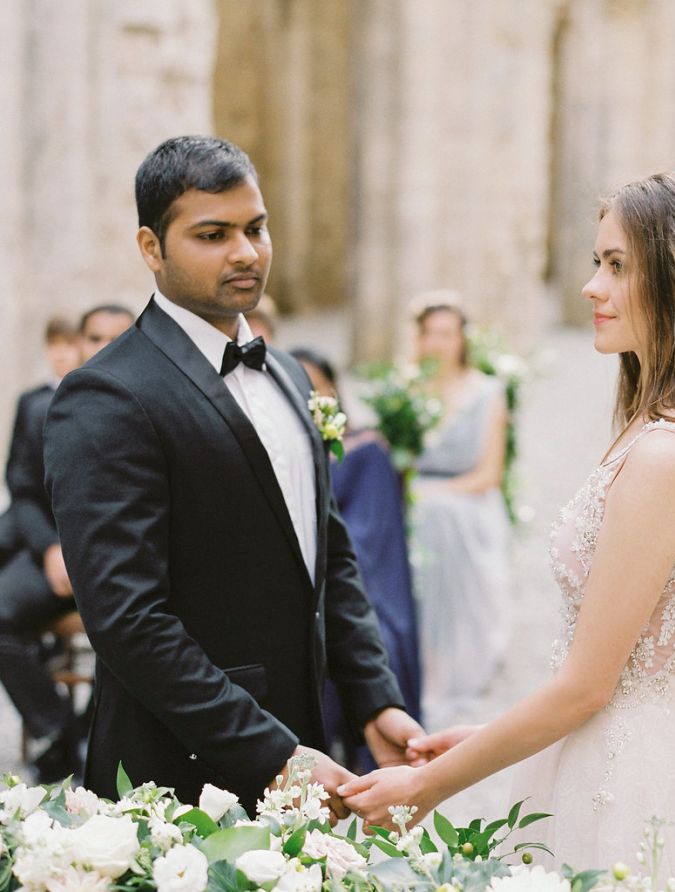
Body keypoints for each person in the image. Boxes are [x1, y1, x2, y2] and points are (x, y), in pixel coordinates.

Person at [340, 171, 675, 889]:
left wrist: (429, 785)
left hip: (630, 784)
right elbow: (613, 666)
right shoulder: (662, 430)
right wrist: (488, 740)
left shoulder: (666, 454)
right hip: (609, 747)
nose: (590, 287)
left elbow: (590, 686)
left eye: (616, 265)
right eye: (596, 262)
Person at [43, 135, 423, 812]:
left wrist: (374, 700)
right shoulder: (106, 396)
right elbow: (129, 620)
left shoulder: (287, 371)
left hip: (307, 745)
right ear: (151, 248)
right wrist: (269, 752)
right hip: (174, 776)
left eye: (256, 228)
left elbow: (327, 557)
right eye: (212, 234)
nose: (246, 252)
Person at [0, 306, 133, 782]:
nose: (104, 346)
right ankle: (59, 731)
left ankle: (91, 730)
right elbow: (24, 492)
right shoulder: (41, 407)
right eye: (94, 336)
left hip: (121, 561)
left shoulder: (153, 405)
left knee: (136, 634)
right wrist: (52, 550)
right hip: (53, 555)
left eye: (118, 336)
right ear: (78, 344)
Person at [292, 348, 422, 773]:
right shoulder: (280, 457)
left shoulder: (365, 452)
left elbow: (366, 537)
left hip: (352, 585)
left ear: (333, 390)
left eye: (314, 384)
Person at [409, 296, 511, 729]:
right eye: (429, 333)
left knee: (441, 518)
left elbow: (488, 475)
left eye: (445, 333)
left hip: (467, 502)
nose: (436, 342)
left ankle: (452, 663)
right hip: (418, 502)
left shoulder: (488, 392)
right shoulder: (408, 389)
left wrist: (430, 494)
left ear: (462, 339)